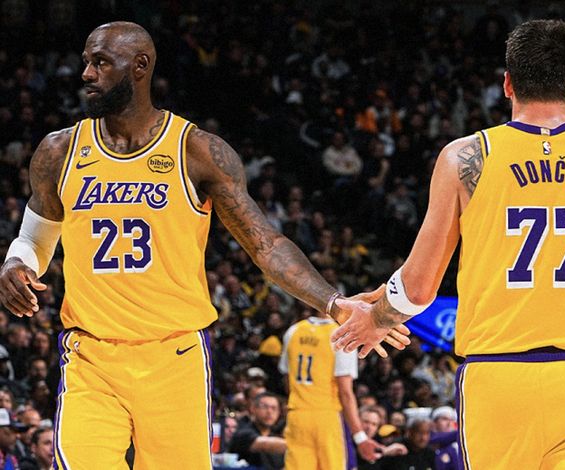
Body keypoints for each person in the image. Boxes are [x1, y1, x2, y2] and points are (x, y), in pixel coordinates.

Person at [0, 22, 408, 469]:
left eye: (101, 63)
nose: (87, 74)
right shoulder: (59, 151)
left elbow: (266, 245)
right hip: (90, 354)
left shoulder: (195, 151)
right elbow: (33, 238)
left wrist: (332, 302)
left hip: (174, 358)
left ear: (140, 66)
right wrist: (17, 263)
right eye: (86, 62)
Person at [333, 19, 565, 468]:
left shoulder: (466, 157)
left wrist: (378, 318)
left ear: (507, 84)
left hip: (496, 378)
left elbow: (419, 287)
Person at [279, 311, 383, 469]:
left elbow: (287, 379)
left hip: (297, 415)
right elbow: (345, 393)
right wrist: (360, 437)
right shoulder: (341, 335)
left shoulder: (293, 331)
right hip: (326, 417)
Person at [228, 392, 285, 470]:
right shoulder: (243, 433)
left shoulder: (276, 437)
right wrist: (297, 445)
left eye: (274, 408)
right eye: (264, 407)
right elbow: (264, 444)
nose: (269, 412)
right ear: (253, 409)